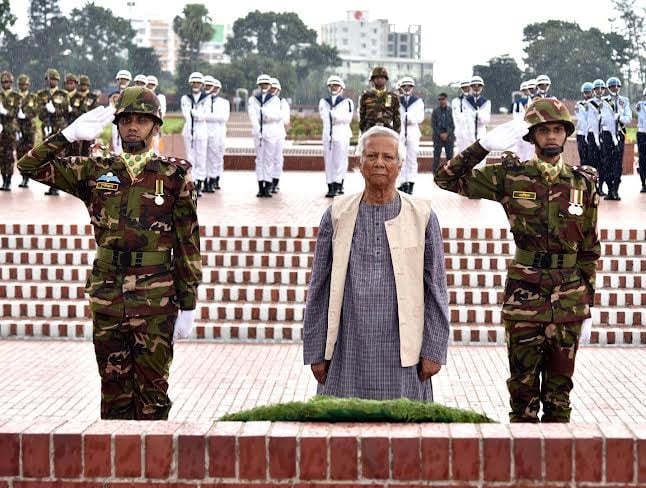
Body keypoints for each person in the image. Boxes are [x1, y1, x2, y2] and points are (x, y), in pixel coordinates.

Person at [17, 87, 202, 420]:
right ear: (116, 125)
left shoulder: (174, 175)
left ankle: (152, 470)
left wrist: (188, 303)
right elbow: (28, 166)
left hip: (155, 297)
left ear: (156, 126)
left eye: (141, 121)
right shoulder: (95, 170)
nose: (133, 126)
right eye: (126, 120)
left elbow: (187, 241)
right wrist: (67, 135)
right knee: (114, 393)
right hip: (108, 295)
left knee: (153, 395)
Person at [435, 98, 601, 422]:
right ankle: (524, 470)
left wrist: (587, 303)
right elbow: (446, 178)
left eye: (557, 130)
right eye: (543, 130)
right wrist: (482, 146)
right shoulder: (511, 177)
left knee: (560, 398)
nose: (551, 136)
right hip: (525, 297)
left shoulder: (582, 184)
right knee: (522, 397)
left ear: (565, 134)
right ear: (532, 136)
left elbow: (590, 248)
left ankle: (555, 469)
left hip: (568, 300)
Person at [303, 125, 450, 400]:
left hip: (404, 356)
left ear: (400, 165)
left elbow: (436, 288)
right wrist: (315, 351)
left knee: (404, 434)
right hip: (347, 351)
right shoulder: (336, 215)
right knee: (343, 434)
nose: (379, 163)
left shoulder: (423, 217)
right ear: (359, 163)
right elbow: (319, 289)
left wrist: (433, 350)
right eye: (371, 156)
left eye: (388, 157)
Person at [247, 73, 283, 198]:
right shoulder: (253, 99)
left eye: (266, 84)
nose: (264, 86)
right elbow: (252, 115)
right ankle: (260, 186)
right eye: (262, 84)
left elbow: (278, 115)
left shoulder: (275, 99)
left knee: (268, 159)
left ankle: (267, 185)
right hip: (259, 131)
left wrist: (266, 114)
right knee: (259, 160)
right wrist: (257, 128)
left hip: (271, 130)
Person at [318, 75, 354, 198]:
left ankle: (339, 183)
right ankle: (330, 184)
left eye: (336, 85)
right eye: (331, 85)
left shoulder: (347, 102)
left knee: (340, 160)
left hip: (342, 133)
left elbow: (347, 118)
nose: (334, 87)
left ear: (341, 87)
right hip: (328, 133)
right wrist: (336, 116)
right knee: (329, 160)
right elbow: (323, 116)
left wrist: (334, 115)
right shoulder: (324, 101)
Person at [37, 68, 70, 196]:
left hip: (59, 129)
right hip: (47, 128)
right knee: (47, 157)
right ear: (47, 80)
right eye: (51, 79)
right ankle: (51, 185)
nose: (53, 81)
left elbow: (65, 110)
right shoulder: (41, 94)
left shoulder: (63, 94)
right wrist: (46, 113)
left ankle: (57, 185)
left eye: (55, 79)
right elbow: (39, 112)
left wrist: (54, 111)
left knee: (58, 157)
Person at [603, 76, 632, 201]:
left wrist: (620, 117)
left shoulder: (624, 101)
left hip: (619, 133)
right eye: (612, 86)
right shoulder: (604, 101)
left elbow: (629, 117)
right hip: (607, 135)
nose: (615, 88)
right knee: (607, 161)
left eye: (617, 86)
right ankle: (609, 188)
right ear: (608, 88)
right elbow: (603, 118)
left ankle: (616, 189)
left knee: (617, 162)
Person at [181, 72, 209, 197]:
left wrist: (195, 113)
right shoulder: (185, 98)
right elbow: (187, 115)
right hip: (189, 130)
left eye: (198, 82)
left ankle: (200, 183)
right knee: (190, 158)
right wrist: (196, 114)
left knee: (201, 157)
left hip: (202, 130)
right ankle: (191, 183)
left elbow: (205, 115)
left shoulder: (206, 98)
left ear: (202, 84)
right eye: (194, 82)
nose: (196, 84)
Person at [397, 76, 425, 194]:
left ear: (412, 88)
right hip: (401, 130)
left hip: (413, 130)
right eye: (404, 86)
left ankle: (411, 182)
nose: (407, 88)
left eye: (409, 86)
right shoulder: (398, 100)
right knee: (401, 157)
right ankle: (403, 182)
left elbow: (420, 118)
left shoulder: (418, 101)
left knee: (412, 158)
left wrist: (409, 118)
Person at [202, 75, 229, 192]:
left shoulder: (224, 102)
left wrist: (206, 116)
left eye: (216, 88)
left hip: (218, 132)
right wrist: (213, 117)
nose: (214, 89)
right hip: (204, 130)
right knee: (204, 157)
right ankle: (205, 180)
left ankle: (214, 178)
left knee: (216, 157)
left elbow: (224, 118)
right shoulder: (203, 100)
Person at [359, 66, 401, 134]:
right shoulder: (366, 96)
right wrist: (363, 130)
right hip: (370, 128)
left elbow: (397, 117)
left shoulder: (393, 96)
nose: (379, 80)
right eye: (377, 78)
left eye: (382, 78)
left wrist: (396, 133)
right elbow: (362, 115)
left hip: (387, 128)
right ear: (373, 80)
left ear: (386, 79)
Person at [16, 74, 38, 188]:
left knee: (28, 154)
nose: (22, 86)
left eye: (25, 84)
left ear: (28, 85)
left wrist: (25, 115)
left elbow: (35, 111)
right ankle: (22, 176)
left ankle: (26, 178)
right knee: (19, 153)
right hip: (18, 128)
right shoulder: (15, 96)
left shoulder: (33, 97)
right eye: (21, 84)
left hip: (29, 128)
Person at [0, 71, 21, 191]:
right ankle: (3, 179)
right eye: (3, 82)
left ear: (11, 83)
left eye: (7, 82)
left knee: (9, 156)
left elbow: (15, 112)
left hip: (11, 129)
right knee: (1, 156)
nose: (5, 84)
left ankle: (9, 180)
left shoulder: (16, 97)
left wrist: (5, 112)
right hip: (1, 129)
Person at [68, 75, 99, 156]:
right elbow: (71, 111)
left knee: (87, 151)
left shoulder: (92, 97)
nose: (83, 86)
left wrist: (81, 113)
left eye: (85, 85)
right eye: (81, 85)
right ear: (78, 85)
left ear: (88, 86)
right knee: (75, 151)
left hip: (88, 127)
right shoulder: (74, 97)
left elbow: (94, 112)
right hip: (76, 127)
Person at [269, 77, 290, 193]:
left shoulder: (282, 102)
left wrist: (272, 116)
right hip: (268, 133)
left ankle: (275, 181)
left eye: (274, 88)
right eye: (271, 88)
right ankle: (268, 181)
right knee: (268, 159)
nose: (272, 90)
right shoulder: (265, 102)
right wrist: (277, 116)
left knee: (277, 158)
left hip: (279, 133)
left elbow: (286, 119)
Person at [586, 79, 607, 194]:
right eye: (597, 89)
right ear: (593, 90)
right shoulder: (589, 104)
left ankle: (601, 186)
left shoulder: (607, 102)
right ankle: (592, 187)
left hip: (603, 135)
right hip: (593, 136)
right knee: (592, 162)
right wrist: (596, 138)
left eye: (602, 88)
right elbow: (591, 121)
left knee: (603, 163)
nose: (599, 91)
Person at [462, 75, 491, 147]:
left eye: (479, 86)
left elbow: (486, 120)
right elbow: (465, 118)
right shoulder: (465, 101)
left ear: (482, 87)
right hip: (468, 133)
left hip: (481, 131)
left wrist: (478, 115)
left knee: (481, 154)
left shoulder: (486, 102)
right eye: (474, 86)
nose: (476, 88)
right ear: (471, 87)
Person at [430, 92, 454, 176]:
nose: (441, 101)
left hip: (449, 137)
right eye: (439, 99)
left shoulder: (451, 111)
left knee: (450, 157)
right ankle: (435, 174)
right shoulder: (435, 111)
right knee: (436, 157)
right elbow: (433, 124)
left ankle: (450, 174)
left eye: (443, 99)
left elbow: (453, 124)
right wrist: (440, 134)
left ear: (446, 99)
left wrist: (447, 133)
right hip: (438, 137)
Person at [109, 69, 132, 156]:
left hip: (129, 121)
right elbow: (112, 108)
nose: (123, 81)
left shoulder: (133, 93)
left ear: (129, 81)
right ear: (117, 80)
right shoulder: (113, 95)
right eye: (121, 79)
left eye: (125, 79)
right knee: (116, 141)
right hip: (116, 121)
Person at [511, 82, 534, 161]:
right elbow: (515, 117)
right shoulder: (517, 103)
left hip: (530, 128)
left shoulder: (533, 101)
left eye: (527, 89)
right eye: (524, 90)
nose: (526, 91)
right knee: (520, 150)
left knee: (530, 150)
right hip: (520, 128)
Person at [145, 75, 166, 154]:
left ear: (156, 86)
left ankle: (155, 164)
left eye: (152, 84)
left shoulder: (161, 97)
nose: (150, 86)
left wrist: (160, 125)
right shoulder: (141, 96)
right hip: (144, 124)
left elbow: (162, 112)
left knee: (156, 146)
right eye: (149, 84)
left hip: (156, 124)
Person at [575, 82, 593, 166]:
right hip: (582, 133)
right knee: (583, 157)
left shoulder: (596, 104)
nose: (587, 95)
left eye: (589, 92)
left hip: (592, 133)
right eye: (585, 93)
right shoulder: (579, 105)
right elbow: (582, 119)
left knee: (592, 157)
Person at [451, 80, 471, 153]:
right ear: (461, 89)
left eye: (467, 87)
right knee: (461, 152)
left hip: (471, 131)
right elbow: (456, 117)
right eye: (464, 88)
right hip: (460, 130)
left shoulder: (474, 100)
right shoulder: (455, 101)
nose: (466, 89)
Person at [636, 88, 646, 193]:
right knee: (642, 159)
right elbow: (637, 108)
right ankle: (643, 183)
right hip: (642, 133)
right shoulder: (641, 105)